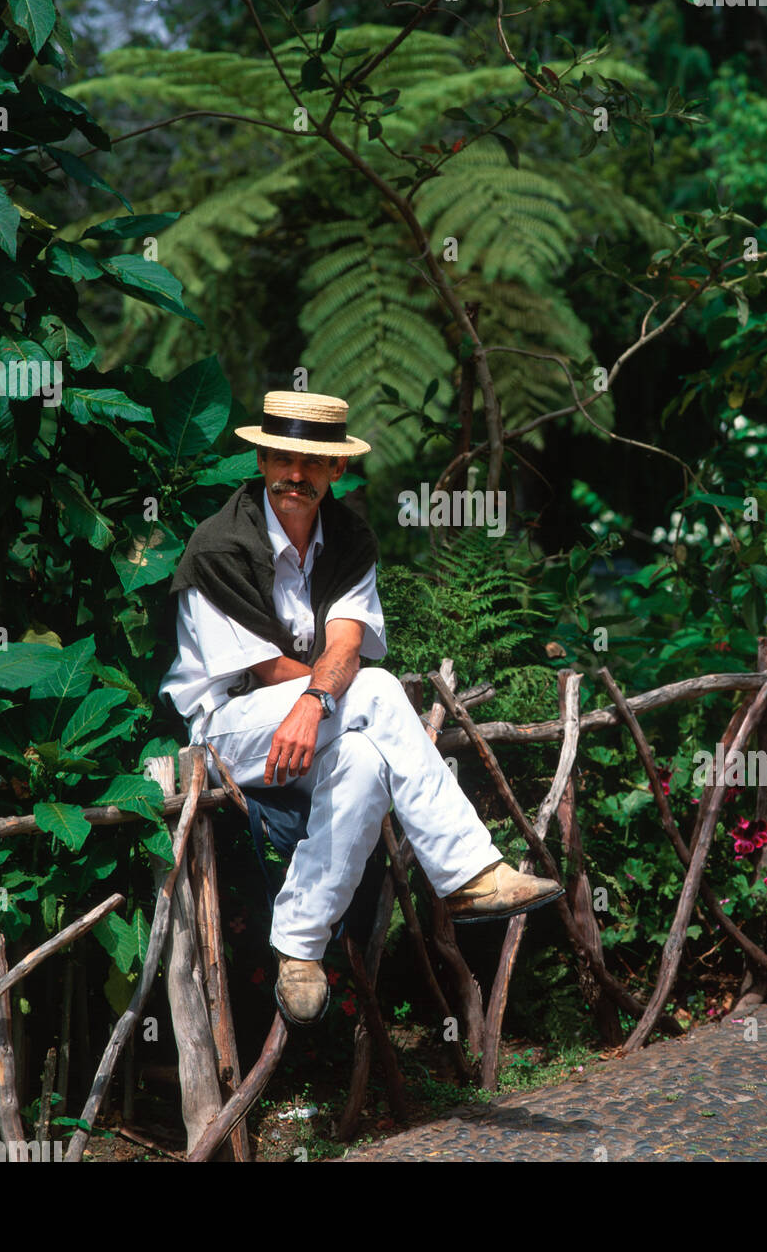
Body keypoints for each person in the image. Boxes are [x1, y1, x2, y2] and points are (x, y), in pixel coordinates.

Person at [161, 390, 563, 1026]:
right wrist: (324, 694)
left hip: (315, 722)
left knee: (366, 761)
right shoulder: (219, 546)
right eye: (285, 458)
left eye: (314, 462)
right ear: (262, 459)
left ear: (336, 470)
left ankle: (298, 948)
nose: (297, 474)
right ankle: (468, 874)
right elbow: (264, 669)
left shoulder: (348, 538)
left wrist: (318, 700)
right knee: (374, 690)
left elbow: (346, 641)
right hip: (227, 735)